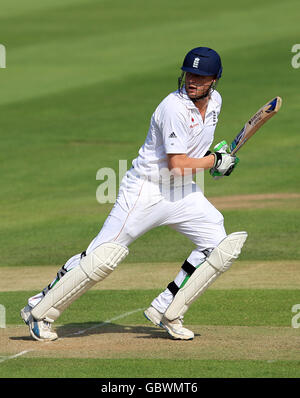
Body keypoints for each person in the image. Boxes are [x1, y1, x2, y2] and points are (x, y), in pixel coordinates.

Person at [20, 47, 246, 341]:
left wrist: (214, 158)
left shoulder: (215, 101)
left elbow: (193, 151)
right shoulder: (173, 107)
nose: (192, 80)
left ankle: (168, 309)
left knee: (218, 244)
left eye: (200, 77)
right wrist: (214, 162)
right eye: (189, 73)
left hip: (182, 193)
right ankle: (40, 310)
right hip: (145, 190)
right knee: (102, 256)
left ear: (214, 79)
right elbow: (177, 165)